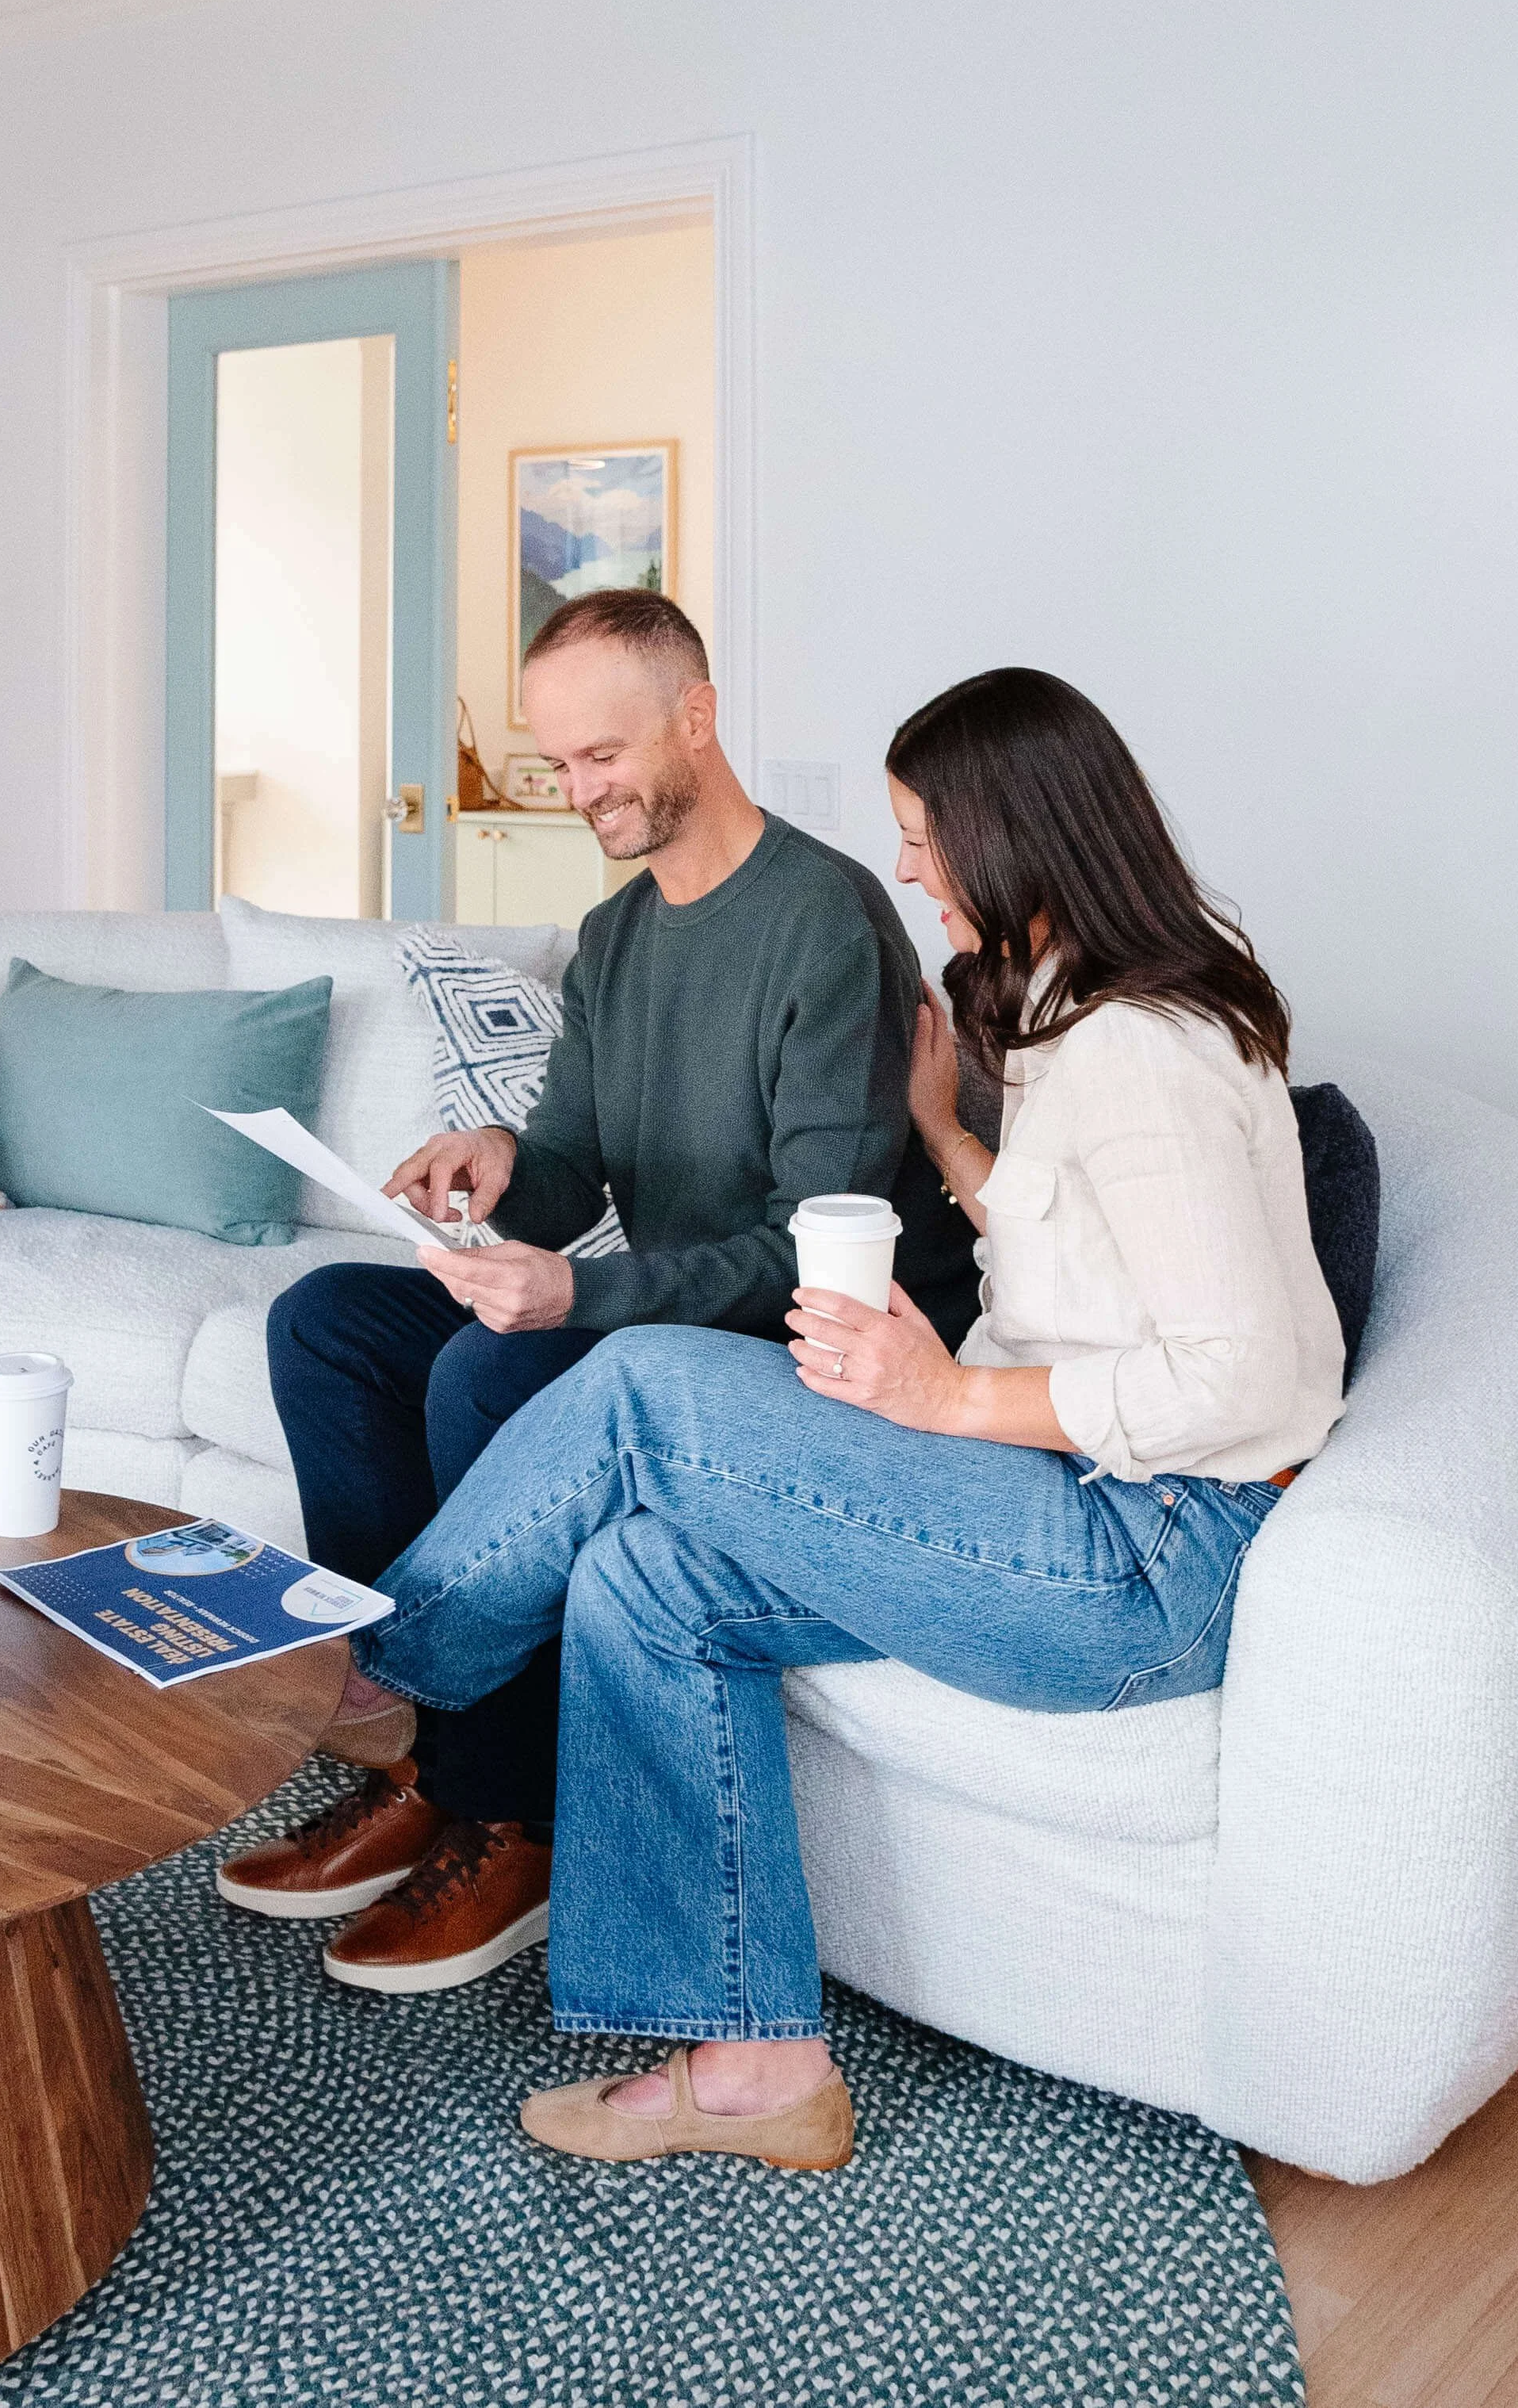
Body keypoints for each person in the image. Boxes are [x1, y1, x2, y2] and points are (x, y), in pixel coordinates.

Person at [340, 665, 1348, 2165]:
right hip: (1080, 1507)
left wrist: (951, 1395)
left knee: (639, 1387)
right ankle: (761, 2064)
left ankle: (368, 1665)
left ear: (1019, 836)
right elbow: (1095, 1272)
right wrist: (947, 1130)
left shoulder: (1144, 1053)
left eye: (928, 836)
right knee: (640, 1572)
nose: (912, 867)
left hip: (1147, 1562)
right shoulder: (1087, 1024)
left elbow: (1245, 1378)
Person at [218, 590, 978, 1990]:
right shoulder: (618, 935)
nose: (578, 791)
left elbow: (812, 1248)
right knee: (324, 1321)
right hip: (657, 1310)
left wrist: (575, 1302)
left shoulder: (827, 924)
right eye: (557, 764)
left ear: (696, 715)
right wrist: (503, 1163)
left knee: (490, 1367)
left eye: (601, 755)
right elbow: (577, 1166)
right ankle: (442, 1771)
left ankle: (517, 1819)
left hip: (785, 1344)